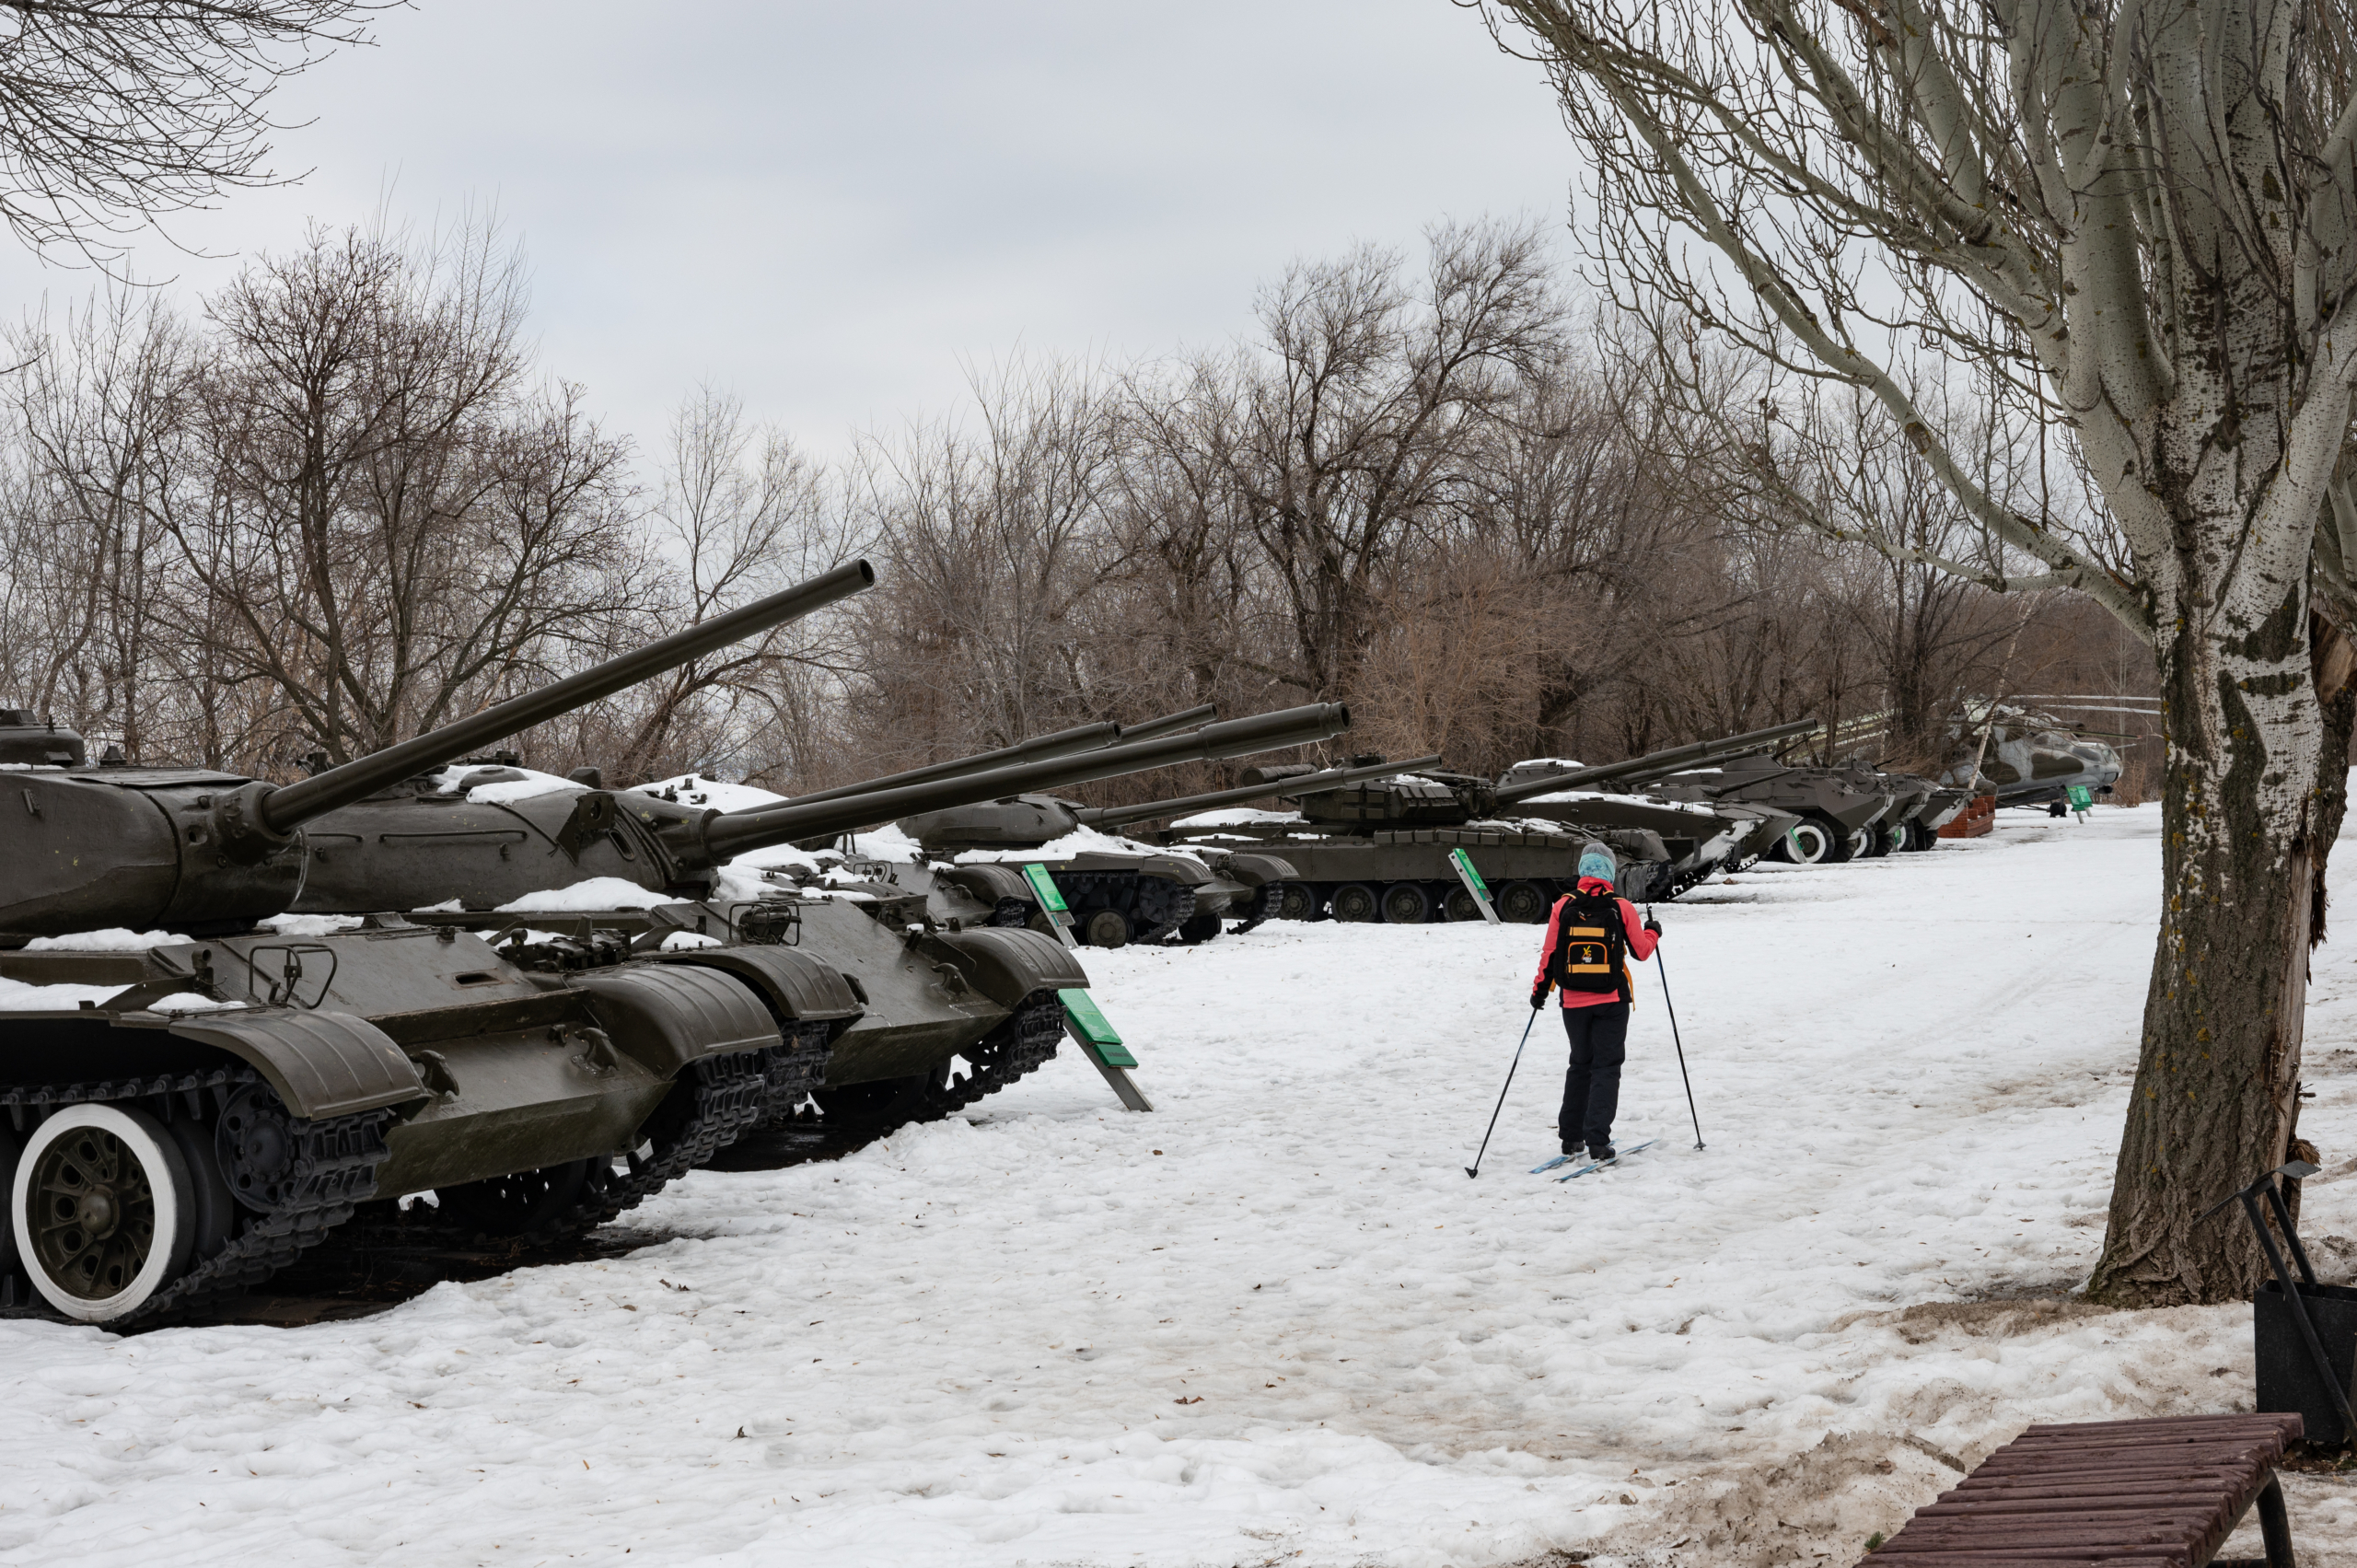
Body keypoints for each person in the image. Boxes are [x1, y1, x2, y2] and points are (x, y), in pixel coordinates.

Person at [1529, 842, 1661, 1164]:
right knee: (1606, 1068)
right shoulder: (1621, 906)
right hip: (1612, 1000)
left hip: (1573, 1001)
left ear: (1583, 871)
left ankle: (1571, 1137)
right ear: (1610, 873)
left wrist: (1540, 991)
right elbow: (1641, 951)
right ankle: (1598, 1142)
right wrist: (1653, 932)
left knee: (1580, 1065)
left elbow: (1551, 954)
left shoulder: (1563, 905)